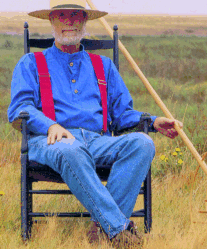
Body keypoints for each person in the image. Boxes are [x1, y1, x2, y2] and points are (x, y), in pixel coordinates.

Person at [8, 0, 183, 247]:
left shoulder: (105, 67)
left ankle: (103, 228)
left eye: (76, 15)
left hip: (97, 140)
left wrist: (154, 122)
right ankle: (119, 230)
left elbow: (123, 115)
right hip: (49, 141)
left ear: (85, 21)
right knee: (71, 148)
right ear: (51, 20)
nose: (69, 21)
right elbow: (18, 109)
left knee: (142, 143)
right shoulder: (30, 63)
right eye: (62, 15)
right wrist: (50, 125)